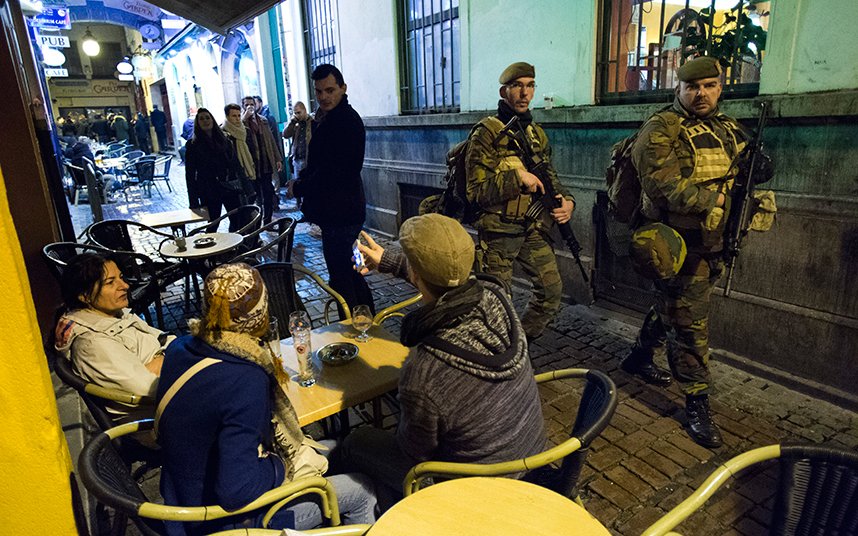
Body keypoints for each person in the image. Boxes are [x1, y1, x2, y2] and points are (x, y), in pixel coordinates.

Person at [341, 214, 546, 507]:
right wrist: (391, 262)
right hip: (532, 456)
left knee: (355, 443)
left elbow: (414, 455)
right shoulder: (497, 296)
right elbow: (451, 287)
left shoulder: (425, 369)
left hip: (480, 492)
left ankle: (378, 511)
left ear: (415, 275)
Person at [156, 263, 377, 535]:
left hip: (182, 495)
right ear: (259, 314)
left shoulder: (181, 347)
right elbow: (236, 491)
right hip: (229, 521)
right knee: (362, 490)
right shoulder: (246, 378)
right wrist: (280, 465)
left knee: (340, 448)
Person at [622, 56, 752, 449]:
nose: (701, 94)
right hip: (675, 240)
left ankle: (640, 356)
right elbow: (661, 185)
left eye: (710, 86)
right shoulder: (661, 128)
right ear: (678, 88)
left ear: (720, 87)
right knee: (691, 323)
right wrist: (714, 199)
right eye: (693, 87)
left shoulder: (729, 128)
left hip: (713, 240)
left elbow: (741, 172)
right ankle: (696, 398)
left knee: (674, 305)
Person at [465, 61, 575, 340]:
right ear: (504, 92)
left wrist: (568, 201)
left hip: (532, 228)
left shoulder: (536, 134)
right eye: (517, 86)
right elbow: (475, 190)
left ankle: (519, 344)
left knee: (551, 292)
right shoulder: (487, 132)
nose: (525, 93)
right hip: (499, 231)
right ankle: (496, 355)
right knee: (497, 304)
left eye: (530, 86)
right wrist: (517, 179)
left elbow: (550, 176)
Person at [286, 64, 374, 316]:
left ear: (343, 88)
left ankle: (353, 328)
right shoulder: (330, 118)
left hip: (342, 212)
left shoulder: (344, 121)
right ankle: (365, 321)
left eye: (330, 90)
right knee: (348, 274)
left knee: (343, 279)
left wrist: (300, 186)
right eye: (319, 91)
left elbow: (334, 173)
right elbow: (321, 164)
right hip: (338, 211)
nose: (324, 96)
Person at [53, 253, 173, 420]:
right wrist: (172, 357)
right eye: (110, 282)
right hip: (159, 418)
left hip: (171, 391)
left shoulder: (113, 314)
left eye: (121, 277)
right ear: (84, 296)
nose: (125, 286)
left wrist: (163, 356)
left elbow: (165, 339)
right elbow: (148, 389)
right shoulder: (92, 344)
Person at [184, 108, 246, 231]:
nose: (205, 121)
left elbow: (236, 165)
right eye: (201, 119)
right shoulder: (193, 145)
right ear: (197, 123)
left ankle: (235, 247)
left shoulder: (225, 141)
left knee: (237, 221)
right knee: (212, 224)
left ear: (212, 119)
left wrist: (246, 187)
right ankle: (213, 248)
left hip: (229, 188)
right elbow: (190, 174)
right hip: (208, 190)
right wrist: (193, 200)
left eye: (207, 117)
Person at [242, 96, 282, 224]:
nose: (250, 107)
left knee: (268, 193)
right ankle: (255, 224)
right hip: (252, 166)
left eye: (252, 104)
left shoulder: (263, 121)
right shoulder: (241, 123)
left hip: (265, 164)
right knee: (254, 196)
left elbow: (271, 140)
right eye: (247, 104)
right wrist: (244, 119)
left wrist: (277, 158)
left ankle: (268, 221)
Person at [283, 101, 313, 210]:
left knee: (307, 185)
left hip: (308, 159)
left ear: (305, 110)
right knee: (296, 184)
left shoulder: (312, 122)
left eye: (299, 112)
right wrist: (291, 123)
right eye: (295, 113)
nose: (297, 115)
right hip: (297, 158)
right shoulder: (295, 124)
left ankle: (309, 208)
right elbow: (285, 135)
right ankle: (300, 207)